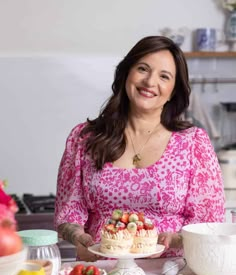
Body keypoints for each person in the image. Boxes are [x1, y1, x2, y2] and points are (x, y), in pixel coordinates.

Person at [54, 36, 225, 261]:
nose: (150, 82)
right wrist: (77, 236)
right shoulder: (84, 138)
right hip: (102, 274)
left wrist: (176, 239)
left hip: (171, 274)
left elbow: (210, 224)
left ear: (173, 90)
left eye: (164, 76)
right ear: (126, 73)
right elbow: (68, 212)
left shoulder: (193, 143)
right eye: (143, 69)